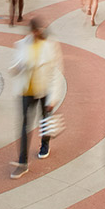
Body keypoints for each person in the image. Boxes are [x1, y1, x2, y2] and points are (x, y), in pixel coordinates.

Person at [9, 18, 64, 180]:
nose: (36, 33)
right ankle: (22, 162)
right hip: (26, 91)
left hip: (44, 89)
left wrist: (53, 98)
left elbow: (56, 72)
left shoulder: (51, 45)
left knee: (44, 120)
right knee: (24, 126)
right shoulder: (22, 45)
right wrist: (20, 64)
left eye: (38, 31)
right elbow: (12, 69)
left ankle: (45, 144)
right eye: (34, 31)